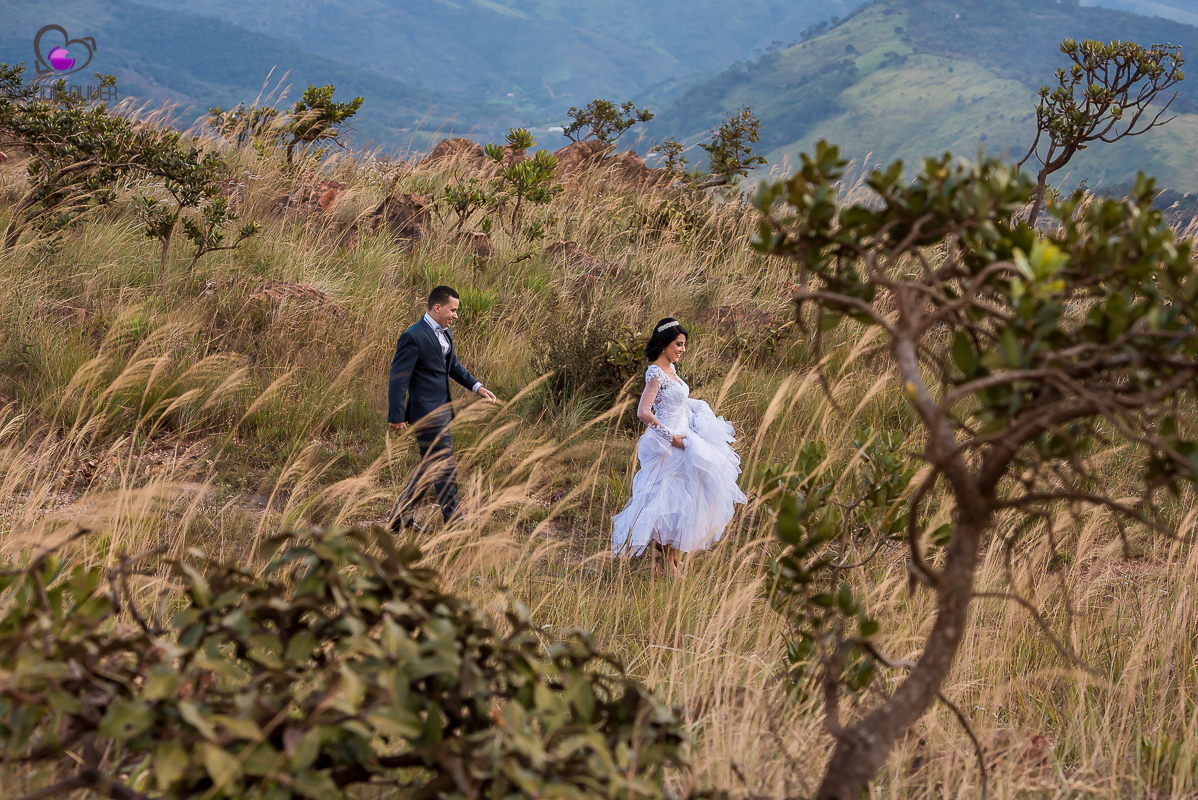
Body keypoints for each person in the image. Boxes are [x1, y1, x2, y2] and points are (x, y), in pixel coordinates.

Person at [612, 318, 747, 574]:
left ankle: (672, 559)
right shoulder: (656, 373)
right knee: (666, 499)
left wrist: (699, 411)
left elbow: (678, 401)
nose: (683, 349)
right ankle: (666, 562)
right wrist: (670, 437)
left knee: (687, 498)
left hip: (686, 437)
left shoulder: (672, 370)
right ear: (665, 344)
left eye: (684, 344)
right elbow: (643, 412)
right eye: (679, 344)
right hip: (668, 442)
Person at [387, 285, 497, 529]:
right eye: (452, 310)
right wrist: (396, 415)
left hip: (443, 412)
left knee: (430, 468)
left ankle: (399, 519)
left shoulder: (445, 333)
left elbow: (453, 366)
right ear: (437, 307)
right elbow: (398, 379)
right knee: (445, 467)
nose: (455, 315)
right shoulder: (413, 336)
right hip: (426, 415)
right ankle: (454, 524)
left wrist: (477, 387)